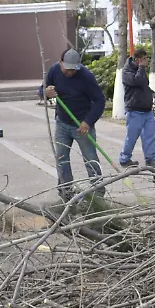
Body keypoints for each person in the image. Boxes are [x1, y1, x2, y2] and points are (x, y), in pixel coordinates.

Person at [40, 49, 106, 199]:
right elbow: (41, 89)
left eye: (73, 69)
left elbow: (99, 101)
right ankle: (66, 192)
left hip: (82, 125)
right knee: (62, 159)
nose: (70, 72)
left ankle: (98, 194)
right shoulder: (54, 71)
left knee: (91, 159)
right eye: (67, 69)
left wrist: (88, 122)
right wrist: (46, 92)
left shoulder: (86, 76)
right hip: (62, 123)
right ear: (60, 62)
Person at [118, 48, 155, 168]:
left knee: (149, 136)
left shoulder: (140, 70)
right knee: (132, 136)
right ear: (138, 60)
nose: (146, 61)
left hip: (146, 109)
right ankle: (124, 158)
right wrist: (141, 68)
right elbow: (137, 81)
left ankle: (150, 159)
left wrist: (151, 93)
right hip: (134, 109)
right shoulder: (127, 71)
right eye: (144, 59)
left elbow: (143, 85)